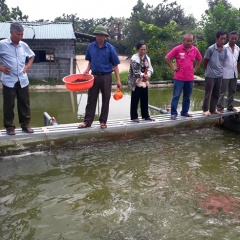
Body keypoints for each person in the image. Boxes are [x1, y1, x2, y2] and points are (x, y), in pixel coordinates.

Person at [78, 25, 121, 129]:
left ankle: (103, 121)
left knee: (106, 99)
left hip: (106, 76)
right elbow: (90, 61)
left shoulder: (110, 48)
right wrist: (87, 69)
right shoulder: (91, 47)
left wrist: (118, 80)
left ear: (105, 36)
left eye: (101, 35)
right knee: (91, 99)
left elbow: (115, 65)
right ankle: (87, 121)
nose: (99, 36)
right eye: (97, 34)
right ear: (95, 36)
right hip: (94, 76)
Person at [0, 22, 35, 135]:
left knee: (24, 104)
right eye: (18, 34)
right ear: (11, 33)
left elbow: (31, 56)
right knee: (9, 105)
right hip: (9, 80)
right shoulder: (2, 44)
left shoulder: (23, 45)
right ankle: (10, 127)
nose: (20, 37)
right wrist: (1, 67)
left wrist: (28, 66)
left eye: (21, 34)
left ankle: (25, 125)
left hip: (23, 80)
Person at [165, 33, 202, 120]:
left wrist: (195, 69)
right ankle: (173, 113)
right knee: (176, 96)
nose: (190, 42)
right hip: (179, 78)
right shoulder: (178, 48)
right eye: (188, 41)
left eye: (191, 41)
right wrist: (173, 67)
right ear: (183, 41)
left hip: (189, 78)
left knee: (187, 96)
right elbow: (167, 58)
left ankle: (184, 112)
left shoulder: (194, 50)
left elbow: (200, 59)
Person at [128, 41, 154, 122]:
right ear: (138, 49)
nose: (143, 51)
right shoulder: (134, 58)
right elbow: (136, 71)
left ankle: (146, 115)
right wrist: (143, 75)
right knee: (135, 99)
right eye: (141, 49)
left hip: (144, 81)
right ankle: (134, 116)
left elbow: (150, 68)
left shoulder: (147, 58)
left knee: (145, 98)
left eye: (144, 49)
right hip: (136, 81)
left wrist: (148, 75)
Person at [202, 30, 227, 116]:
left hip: (219, 74)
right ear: (217, 38)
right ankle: (205, 109)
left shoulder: (225, 50)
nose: (223, 41)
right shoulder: (211, 49)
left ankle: (213, 109)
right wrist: (207, 70)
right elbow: (205, 61)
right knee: (208, 93)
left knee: (216, 93)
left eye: (224, 39)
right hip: (210, 75)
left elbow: (223, 61)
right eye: (221, 38)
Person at [217, 31, 240, 113]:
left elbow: (237, 61)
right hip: (225, 73)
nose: (234, 40)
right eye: (232, 38)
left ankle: (230, 106)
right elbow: (219, 61)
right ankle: (219, 107)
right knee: (222, 91)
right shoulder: (224, 48)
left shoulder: (238, 48)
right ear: (229, 38)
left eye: (235, 39)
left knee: (232, 90)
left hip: (234, 73)